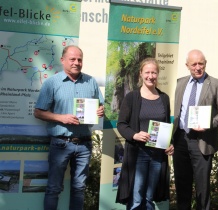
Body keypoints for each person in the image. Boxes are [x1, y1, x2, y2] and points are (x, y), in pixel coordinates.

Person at [34, 45, 104, 210]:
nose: (76, 63)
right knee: (54, 188)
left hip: (84, 144)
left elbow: (100, 105)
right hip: (60, 143)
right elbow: (38, 112)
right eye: (72, 59)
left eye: (79, 59)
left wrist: (100, 110)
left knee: (79, 189)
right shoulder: (52, 83)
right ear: (62, 60)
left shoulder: (90, 81)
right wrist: (61, 117)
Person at [172, 49, 218, 210]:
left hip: (203, 141)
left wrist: (209, 124)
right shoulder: (179, 83)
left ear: (205, 64)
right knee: (181, 184)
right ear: (187, 65)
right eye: (194, 64)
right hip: (180, 140)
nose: (198, 67)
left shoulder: (217, 85)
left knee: (202, 187)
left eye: (201, 63)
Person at [115, 57, 174, 210]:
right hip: (138, 154)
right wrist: (134, 135)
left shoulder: (164, 98)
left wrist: (170, 143)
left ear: (158, 74)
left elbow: (167, 125)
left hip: (157, 155)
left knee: (149, 198)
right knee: (136, 199)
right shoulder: (132, 97)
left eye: (154, 73)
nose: (150, 76)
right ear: (140, 74)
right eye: (147, 72)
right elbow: (121, 124)